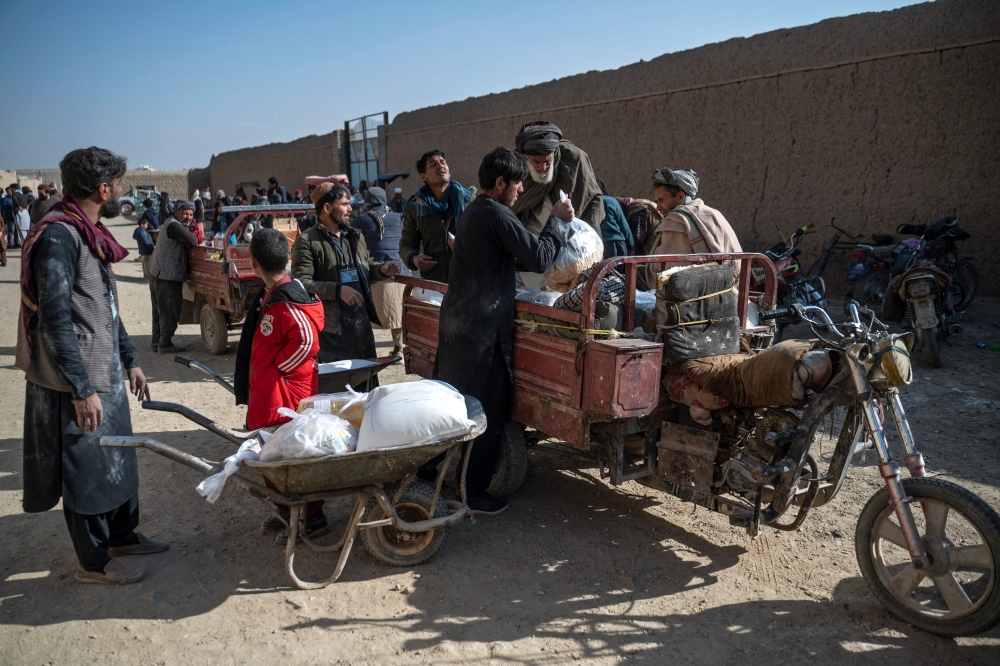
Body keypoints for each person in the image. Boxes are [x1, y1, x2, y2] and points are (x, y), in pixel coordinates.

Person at [16, 146, 166, 585]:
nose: (121, 189)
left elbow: (107, 307)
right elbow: (55, 319)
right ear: (103, 189)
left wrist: (131, 359)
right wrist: (81, 388)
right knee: (87, 469)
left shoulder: (89, 232)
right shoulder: (60, 237)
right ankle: (93, 563)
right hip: (76, 381)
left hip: (105, 373)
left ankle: (122, 536)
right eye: (118, 183)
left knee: (118, 459)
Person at [434, 147, 570, 515]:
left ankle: (433, 475)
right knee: (487, 412)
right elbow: (539, 257)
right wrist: (557, 220)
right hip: (483, 333)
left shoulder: (473, 210)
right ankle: (473, 494)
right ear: (500, 183)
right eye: (518, 181)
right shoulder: (496, 213)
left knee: (453, 407)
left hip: (458, 325)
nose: (522, 187)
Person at [234, 228, 328, 543]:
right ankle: (287, 510)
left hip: (285, 393)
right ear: (287, 258)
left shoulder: (288, 299)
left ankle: (311, 518)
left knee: (289, 457)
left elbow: (307, 340)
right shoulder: (274, 293)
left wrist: (279, 370)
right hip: (273, 390)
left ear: (254, 263)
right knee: (275, 457)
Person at [291, 182, 400, 370]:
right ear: (327, 208)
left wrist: (381, 270)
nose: (350, 208)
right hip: (331, 332)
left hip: (361, 327)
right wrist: (338, 290)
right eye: (344, 204)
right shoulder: (307, 241)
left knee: (367, 385)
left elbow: (365, 265)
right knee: (339, 390)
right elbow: (301, 283)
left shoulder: (355, 236)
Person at [644, 168, 743, 286]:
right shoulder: (713, 213)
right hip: (729, 284)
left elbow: (661, 270)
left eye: (661, 200)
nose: (658, 207)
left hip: (693, 290)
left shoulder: (675, 220)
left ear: (680, 196)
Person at [510, 121, 604, 237]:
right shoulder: (514, 168)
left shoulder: (573, 159)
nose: (543, 167)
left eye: (547, 160)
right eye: (536, 162)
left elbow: (590, 202)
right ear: (525, 156)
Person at [399, 150, 474, 283]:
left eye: (442, 162)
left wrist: (465, 247)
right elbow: (406, 244)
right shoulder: (416, 208)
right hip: (435, 283)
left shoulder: (468, 201)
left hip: (469, 279)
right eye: (433, 164)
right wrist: (414, 259)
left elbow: (485, 238)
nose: (440, 166)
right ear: (423, 176)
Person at [350, 187, 406, 355]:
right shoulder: (399, 217)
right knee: (397, 313)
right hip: (400, 274)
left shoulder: (361, 220)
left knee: (367, 315)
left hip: (375, 274)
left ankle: (367, 352)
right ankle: (399, 349)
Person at [147, 200, 199, 353]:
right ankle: (165, 344)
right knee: (169, 310)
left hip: (157, 273)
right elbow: (192, 240)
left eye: (191, 214)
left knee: (159, 310)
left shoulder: (172, 223)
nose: (188, 217)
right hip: (167, 276)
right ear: (176, 212)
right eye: (185, 213)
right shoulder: (174, 225)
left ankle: (156, 342)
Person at [595, 178, 634, 260]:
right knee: (621, 273)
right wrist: (631, 247)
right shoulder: (612, 201)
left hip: (605, 246)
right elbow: (624, 227)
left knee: (608, 272)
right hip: (621, 244)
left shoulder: (591, 203)